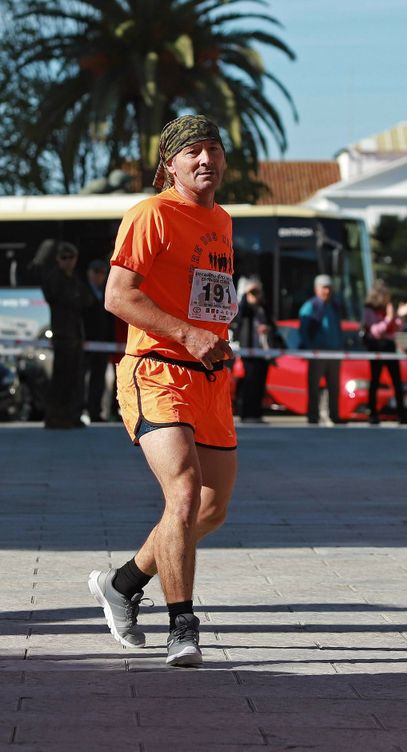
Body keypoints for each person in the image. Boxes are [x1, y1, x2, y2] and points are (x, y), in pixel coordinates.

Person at [89, 114, 238, 668]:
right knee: (183, 492)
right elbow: (118, 296)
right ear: (169, 165)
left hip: (210, 375)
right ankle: (183, 626)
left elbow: (204, 297)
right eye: (193, 152)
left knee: (212, 508)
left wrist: (216, 336)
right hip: (157, 368)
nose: (206, 160)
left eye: (214, 150)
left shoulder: (222, 220)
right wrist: (188, 334)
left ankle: (123, 583)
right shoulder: (149, 214)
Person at [39, 241, 90, 429]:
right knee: (61, 378)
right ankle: (54, 417)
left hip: (76, 334)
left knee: (75, 378)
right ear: (58, 259)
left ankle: (71, 415)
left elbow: (86, 300)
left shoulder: (75, 279)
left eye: (71, 258)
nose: (68, 262)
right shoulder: (54, 278)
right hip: (62, 335)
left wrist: (75, 297)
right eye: (64, 258)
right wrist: (73, 298)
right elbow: (58, 297)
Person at [298, 274, 347, 426]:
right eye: (324, 288)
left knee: (334, 386)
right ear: (317, 289)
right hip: (318, 353)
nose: (327, 291)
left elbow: (338, 328)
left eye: (329, 288)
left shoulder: (335, 305)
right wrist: (310, 348)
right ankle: (313, 415)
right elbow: (304, 329)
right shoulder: (311, 306)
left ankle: (334, 414)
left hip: (334, 352)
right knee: (314, 386)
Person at [361, 285, 407, 425]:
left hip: (389, 347)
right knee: (375, 381)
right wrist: (389, 318)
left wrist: (399, 316)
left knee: (397, 381)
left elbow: (398, 328)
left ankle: (401, 414)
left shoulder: (388, 309)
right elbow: (375, 332)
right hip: (376, 348)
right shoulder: (369, 310)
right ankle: (372, 412)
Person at [231, 277, 272, 423]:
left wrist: (268, 329)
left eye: (257, 292)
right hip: (247, 351)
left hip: (263, 351)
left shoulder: (264, 308)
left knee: (260, 383)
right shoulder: (244, 308)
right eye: (252, 293)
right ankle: (246, 413)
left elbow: (272, 324)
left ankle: (257, 413)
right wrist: (244, 295)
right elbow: (238, 317)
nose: (255, 295)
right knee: (247, 383)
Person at [82, 258, 115, 422]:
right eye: (96, 272)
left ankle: (95, 412)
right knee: (80, 378)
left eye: (102, 272)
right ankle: (79, 411)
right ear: (89, 273)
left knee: (99, 378)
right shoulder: (82, 291)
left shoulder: (107, 291)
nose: (99, 276)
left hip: (102, 343)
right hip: (85, 343)